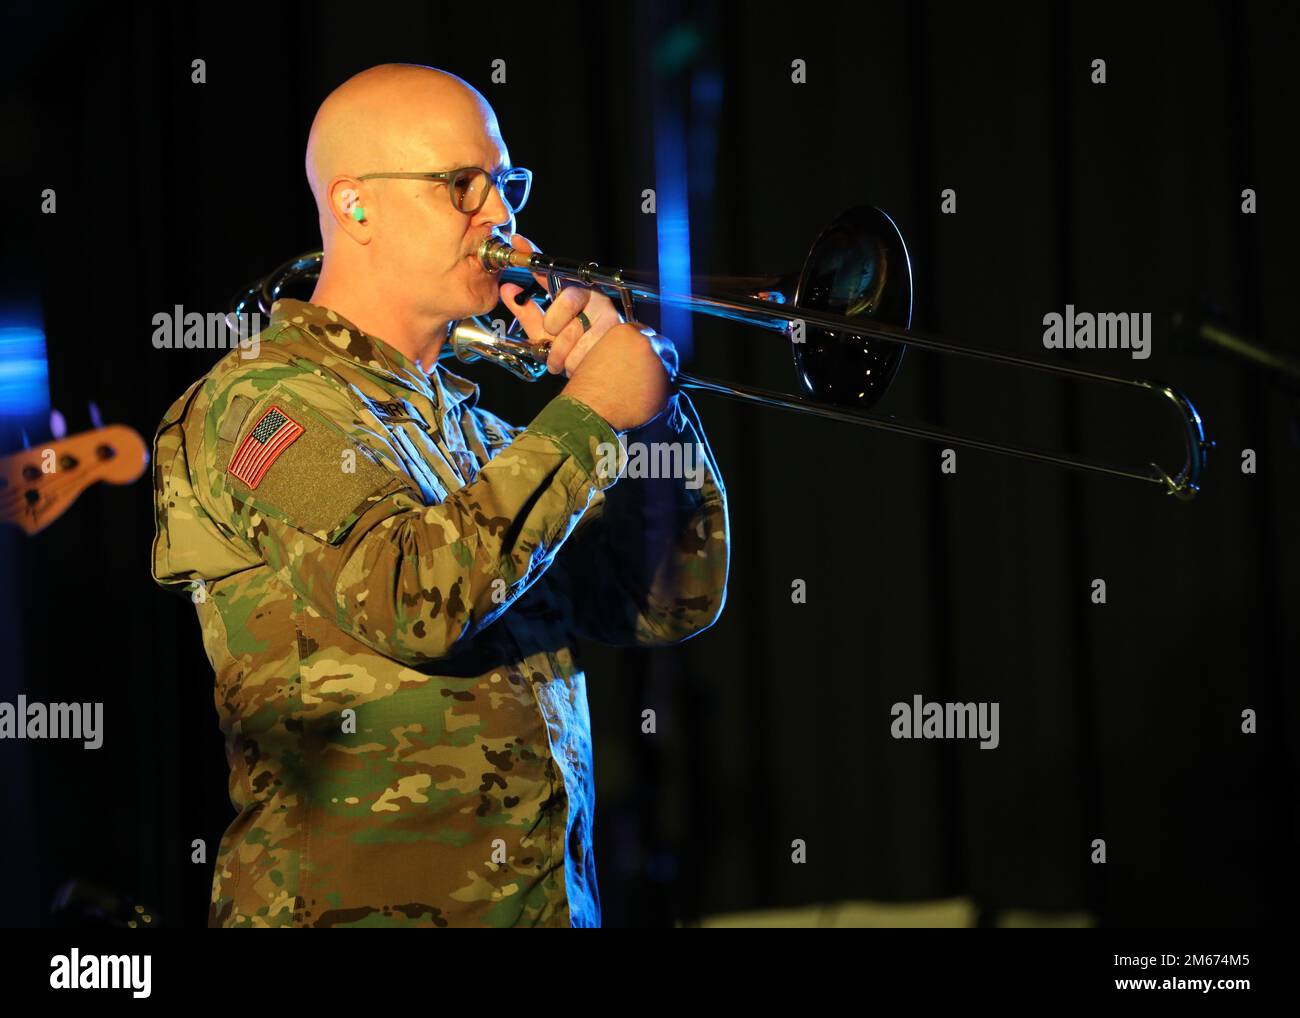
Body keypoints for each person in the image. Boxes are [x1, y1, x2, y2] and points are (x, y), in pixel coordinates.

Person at [150, 64, 729, 928]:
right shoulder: (259, 407)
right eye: (462, 186)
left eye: (504, 185)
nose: (499, 216)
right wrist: (589, 414)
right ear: (355, 207)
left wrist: (647, 417)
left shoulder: (483, 435)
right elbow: (412, 598)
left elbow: (666, 600)